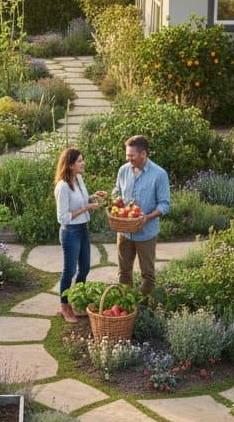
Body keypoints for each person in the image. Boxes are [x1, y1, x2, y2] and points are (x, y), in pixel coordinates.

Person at [115, 135, 170, 298]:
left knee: (147, 274)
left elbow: (164, 205)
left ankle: (145, 306)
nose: (128, 159)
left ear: (143, 154)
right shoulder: (123, 170)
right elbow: (117, 190)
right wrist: (115, 200)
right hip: (124, 232)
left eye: (131, 156)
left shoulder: (159, 174)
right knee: (123, 271)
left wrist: (147, 217)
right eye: (127, 155)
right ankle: (127, 304)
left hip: (146, 233)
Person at [54, 147, 105, 322]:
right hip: (70, 232)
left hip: (83, 229)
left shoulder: (79, 179)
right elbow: (63, 217)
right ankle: (65, 306)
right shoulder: (62, 187)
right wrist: (86, 208)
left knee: (84, 268)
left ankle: (77, 299)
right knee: (70, 271)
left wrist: (92, 197)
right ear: (69, 165)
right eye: (79, 161)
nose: (83, 164)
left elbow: (80, 201)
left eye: (82, 160)